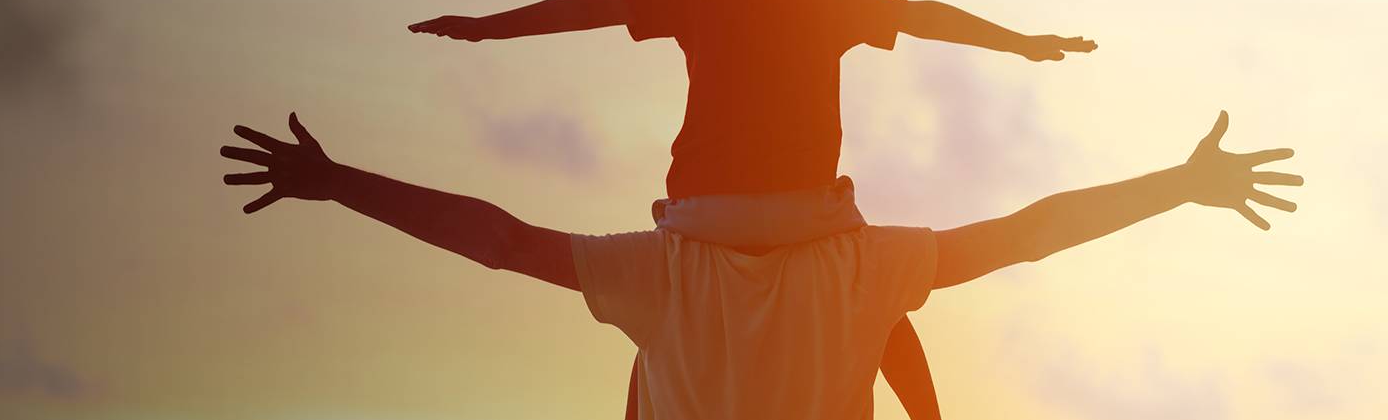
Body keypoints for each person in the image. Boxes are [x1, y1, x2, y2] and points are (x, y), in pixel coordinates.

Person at [408, 0, 1100, 418]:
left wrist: (485, 25)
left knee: (653, 327)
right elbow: (924, 16)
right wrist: (1021, 42)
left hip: (702, 218)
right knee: (879, 289)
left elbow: (589, 8)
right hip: (808, 213)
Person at [220, 111, 1299, 419]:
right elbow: (1024, 232)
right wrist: (1175, 184)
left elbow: (497, 240)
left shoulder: (657, 271)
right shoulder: (862, 270)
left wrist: (340, 181)